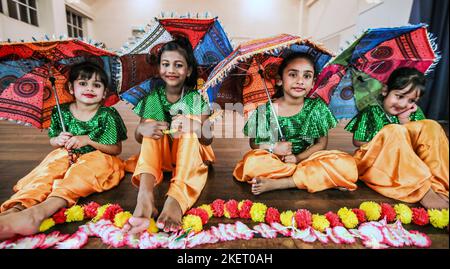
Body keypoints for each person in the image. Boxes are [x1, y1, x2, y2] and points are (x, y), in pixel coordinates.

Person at [0, 62, 128, 240]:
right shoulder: (62, 111)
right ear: (71, 87)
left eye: (97, 85)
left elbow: (116, 149)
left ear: (104, 92)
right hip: (67, 154)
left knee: (80, 174)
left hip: (99, 157)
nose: (89, 88)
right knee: (48, 170)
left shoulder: (107, 114)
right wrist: (58, 140)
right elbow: (53, 139)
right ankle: (17, 208)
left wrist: (88, 140)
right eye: (83, 83)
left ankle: (40, 211)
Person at [123, 38, 215, 234]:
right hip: (163, 158)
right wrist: (142, 130)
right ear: (159, 68)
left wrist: (195, 126)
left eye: (178, 65)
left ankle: (176, 197)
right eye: (166, 64)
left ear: (188, 71)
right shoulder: (153, 97)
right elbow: (139, 137)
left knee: (190, 125)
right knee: (149, 125)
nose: (171, 69)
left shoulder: (196, 98)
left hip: (192, 157)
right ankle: (145, 195)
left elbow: (208, 138)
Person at [233, 52, 358, 195]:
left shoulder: (317, 107)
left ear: (312, 82)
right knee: (252, 161)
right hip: (277, 161)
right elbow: (254, 143)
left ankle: (284, 182)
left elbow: (321, 144)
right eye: (293, 75)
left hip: (307, 159)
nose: (300, 81)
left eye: (307, 76)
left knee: (347, 164)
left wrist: (298, 158)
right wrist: (274, 147)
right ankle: (315, 178)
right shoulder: (266, 109)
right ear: (280, 80)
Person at [346, 67, 449, 209]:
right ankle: (423, 191)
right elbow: (357, 141)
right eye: (399, 96)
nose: (402, 104)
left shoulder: (412, 112)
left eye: (411, 100)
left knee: (431, 125)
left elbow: (419, 142)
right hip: (376, 163)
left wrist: (404, 119)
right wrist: (384, 139)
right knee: (393, 131)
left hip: (410, 162)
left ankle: (439, 187)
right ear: (385, 90)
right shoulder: (371, 111)